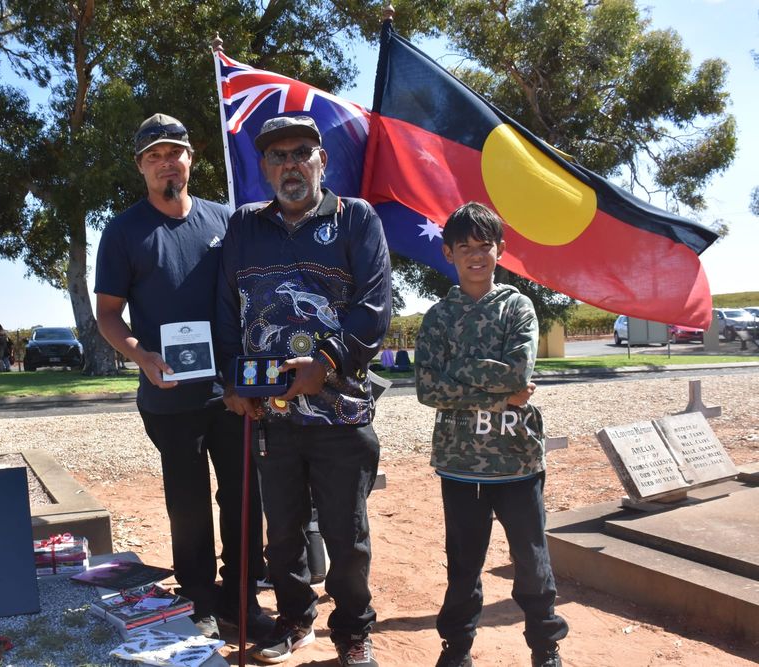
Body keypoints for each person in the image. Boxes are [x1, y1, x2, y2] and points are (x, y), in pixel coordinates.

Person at [217, 115, 391, 667]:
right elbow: (225, 311)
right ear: (265, 168)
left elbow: (374, 310)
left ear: (322, 161)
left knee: (346, 535)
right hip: (271, 415)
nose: (290, 164)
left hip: (340, 415)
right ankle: (295, 618)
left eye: (300, 153)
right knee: (283, 532)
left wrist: (325, 364)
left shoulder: (356, 219)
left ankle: (352, 632)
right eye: (277, 156)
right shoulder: (245, 225)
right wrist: (232, 381)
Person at [93, 113, 270, 642]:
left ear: (191, 159)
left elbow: (250, 296)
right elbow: (107, 314)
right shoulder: (123, 231)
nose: (166, 162)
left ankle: (244, 596)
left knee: (244, 496)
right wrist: (141, 356)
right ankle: (199, 596)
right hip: (169, 396)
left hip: (230, 392)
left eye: (175, 152)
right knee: (187, 502)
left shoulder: (226, 220)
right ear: (141, 167)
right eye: (154, 156)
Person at [414, 202, 568, 667]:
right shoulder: (439, 316)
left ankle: (546, 648)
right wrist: (501, 393)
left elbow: (520, 372)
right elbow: (426, 388)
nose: (476, 256)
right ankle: (457, 649)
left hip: (517, 459)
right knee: (463, 565)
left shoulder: (518, 306)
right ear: (448, 253)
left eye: (485, 247)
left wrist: (459, 374)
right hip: (459, 464)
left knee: (532, 562)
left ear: (500, 250)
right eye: (465, 248)